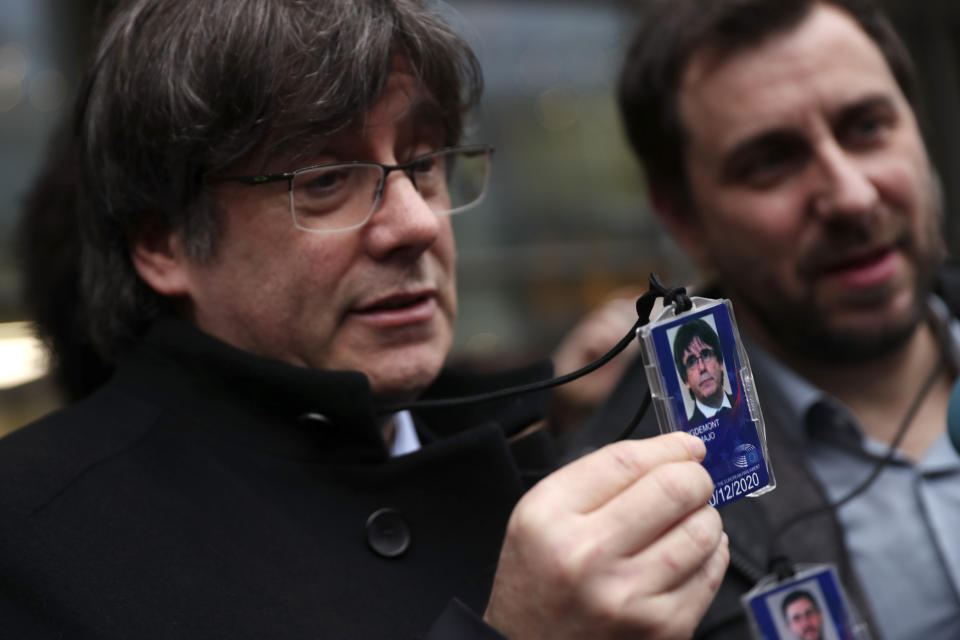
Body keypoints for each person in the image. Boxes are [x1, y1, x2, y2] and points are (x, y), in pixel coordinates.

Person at [0, 0, 729, 637]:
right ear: (165, 244)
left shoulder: (556, 445)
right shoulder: (36, 538)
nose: (415, 223)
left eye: (423, 163)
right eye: (323, 181)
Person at [568, 0, 960, 638]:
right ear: (684, 220)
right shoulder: (620, 536)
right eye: (771, 161)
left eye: (866, 127)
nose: (852, 196)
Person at [673, 319, 732, 424]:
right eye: (691, 362)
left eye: (705, 355)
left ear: (720, 362)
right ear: (686, 380)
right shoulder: (686, 435)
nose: (701, 367)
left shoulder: (746, 405)